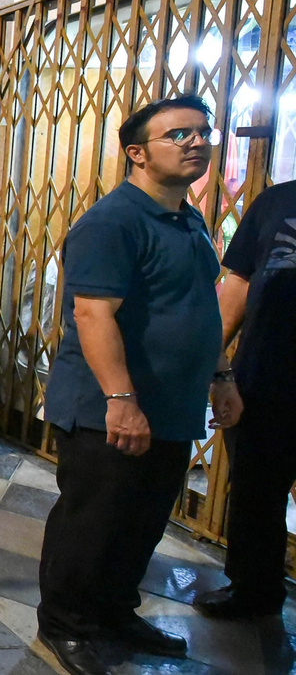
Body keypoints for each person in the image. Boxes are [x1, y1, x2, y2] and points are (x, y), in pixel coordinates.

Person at [34, 97, 221, 675]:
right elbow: (93, 315)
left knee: (141, 520)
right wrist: (121, 400)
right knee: (93, 520)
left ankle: (115, 610)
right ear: (136, 154)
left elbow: (197, 307)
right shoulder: (113, 221)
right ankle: (65, 625)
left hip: (172, 405)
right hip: (106, 409)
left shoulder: (189, 216)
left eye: (201, 133)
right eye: (178, 135)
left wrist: (222, 376)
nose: (195, 142)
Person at [194, 175, 289, 619]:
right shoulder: (276, 200)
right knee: (256, 493)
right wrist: (215, 366)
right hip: (267, 378)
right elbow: (239, 284)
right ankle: (254, 589)